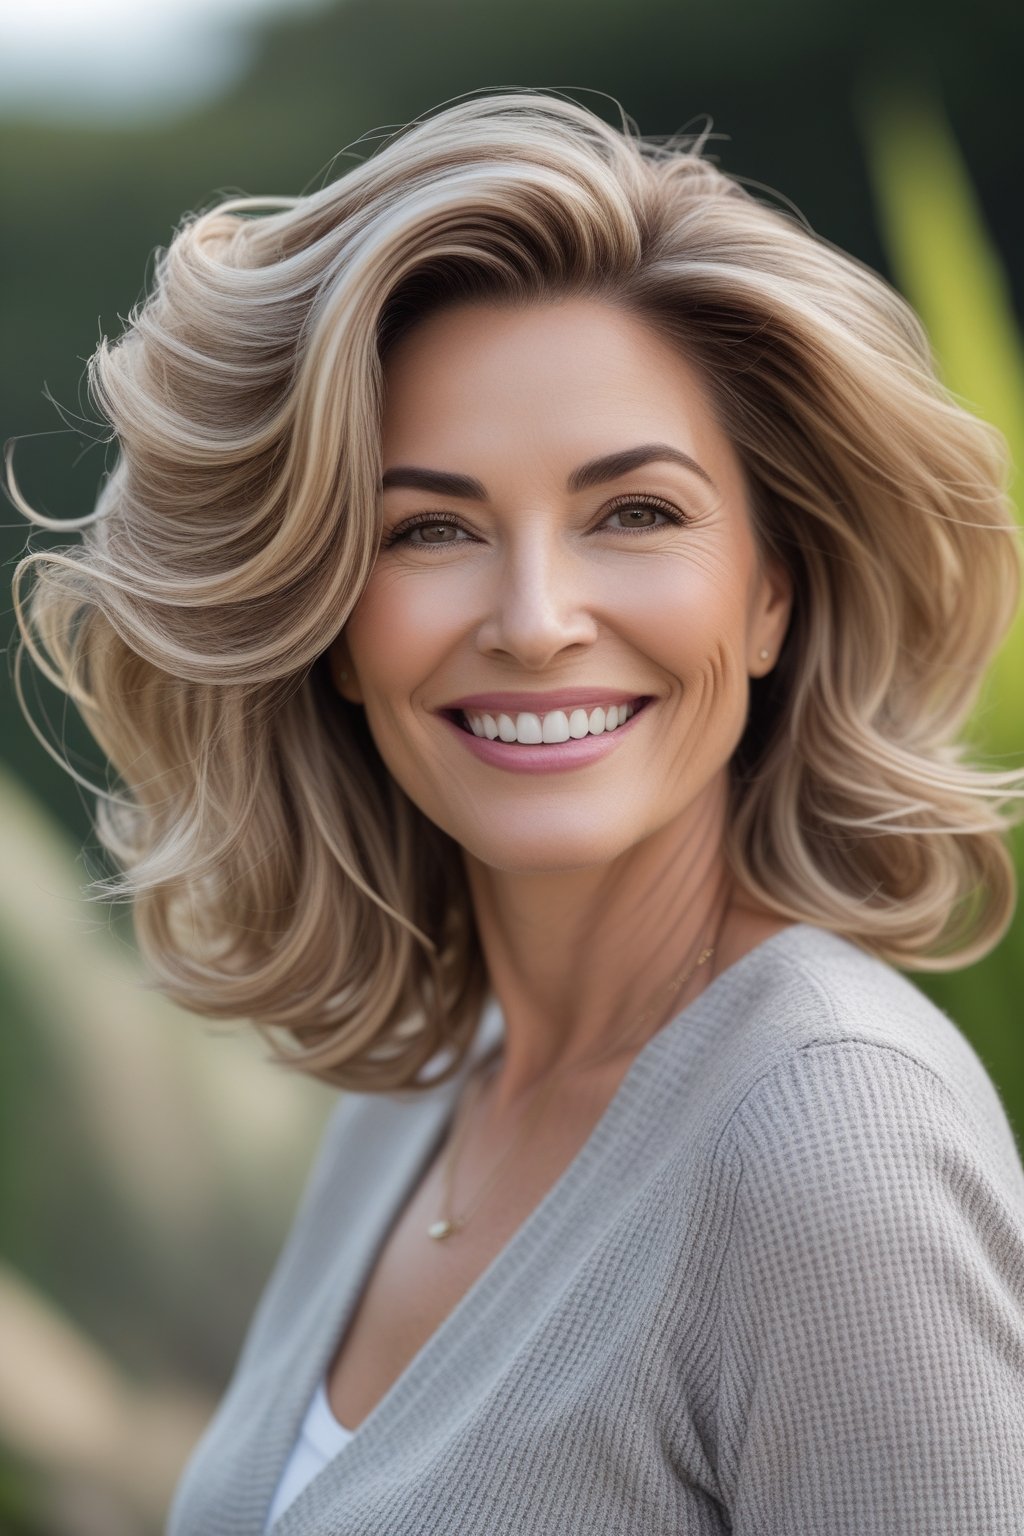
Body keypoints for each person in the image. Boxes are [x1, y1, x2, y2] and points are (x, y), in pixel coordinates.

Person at [9, 89, 1024, 1535]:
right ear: (333, 628)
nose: (536, 622)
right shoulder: (423, 1093)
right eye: (430, 529)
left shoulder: (831, 1133)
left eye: (637, 514)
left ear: (774, 595)